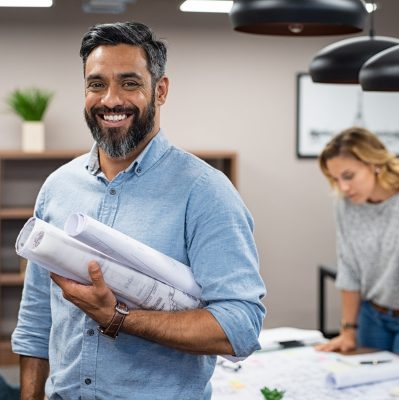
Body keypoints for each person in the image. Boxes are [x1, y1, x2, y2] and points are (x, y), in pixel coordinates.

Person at [11, 21, 266, 400]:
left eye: (129, 83)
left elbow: (240, 327)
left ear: (160, 90)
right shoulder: (57, 187)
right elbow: (36, 319)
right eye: (96, 84)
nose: (110, 99)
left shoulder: (206, 193)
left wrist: (118, 318)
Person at [316, 126, 399, 353]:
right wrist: (348, 331)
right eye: (335, 179)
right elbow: (349, 267)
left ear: (376, 164)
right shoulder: (345, 205)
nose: (343, 187)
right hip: (373, 315)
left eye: (349, 176)